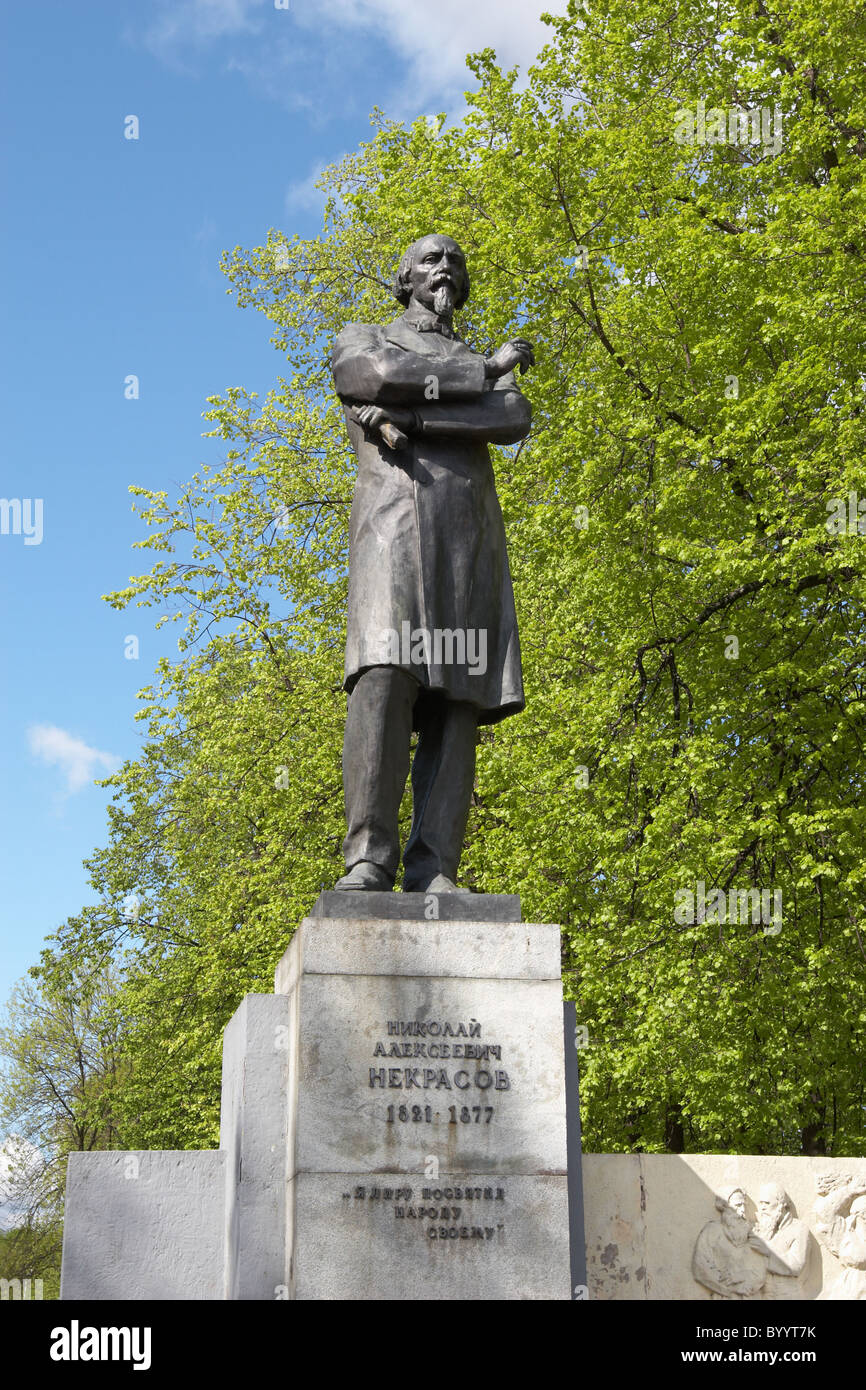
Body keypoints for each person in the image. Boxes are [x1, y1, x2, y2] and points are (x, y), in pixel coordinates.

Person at [330, 233, 534, 893]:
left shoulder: (479, 355)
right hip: (393, 528)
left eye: (454, 259)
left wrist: (410, 420)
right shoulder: (364, 334)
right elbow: (374, 377)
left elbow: (512, 416)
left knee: (458, 700)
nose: (444, 267)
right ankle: (369, 856)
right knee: (385, 676)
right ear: (405, 278)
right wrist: (479, 378)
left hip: (466, 533)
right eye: (430, 258)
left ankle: (435, 864)